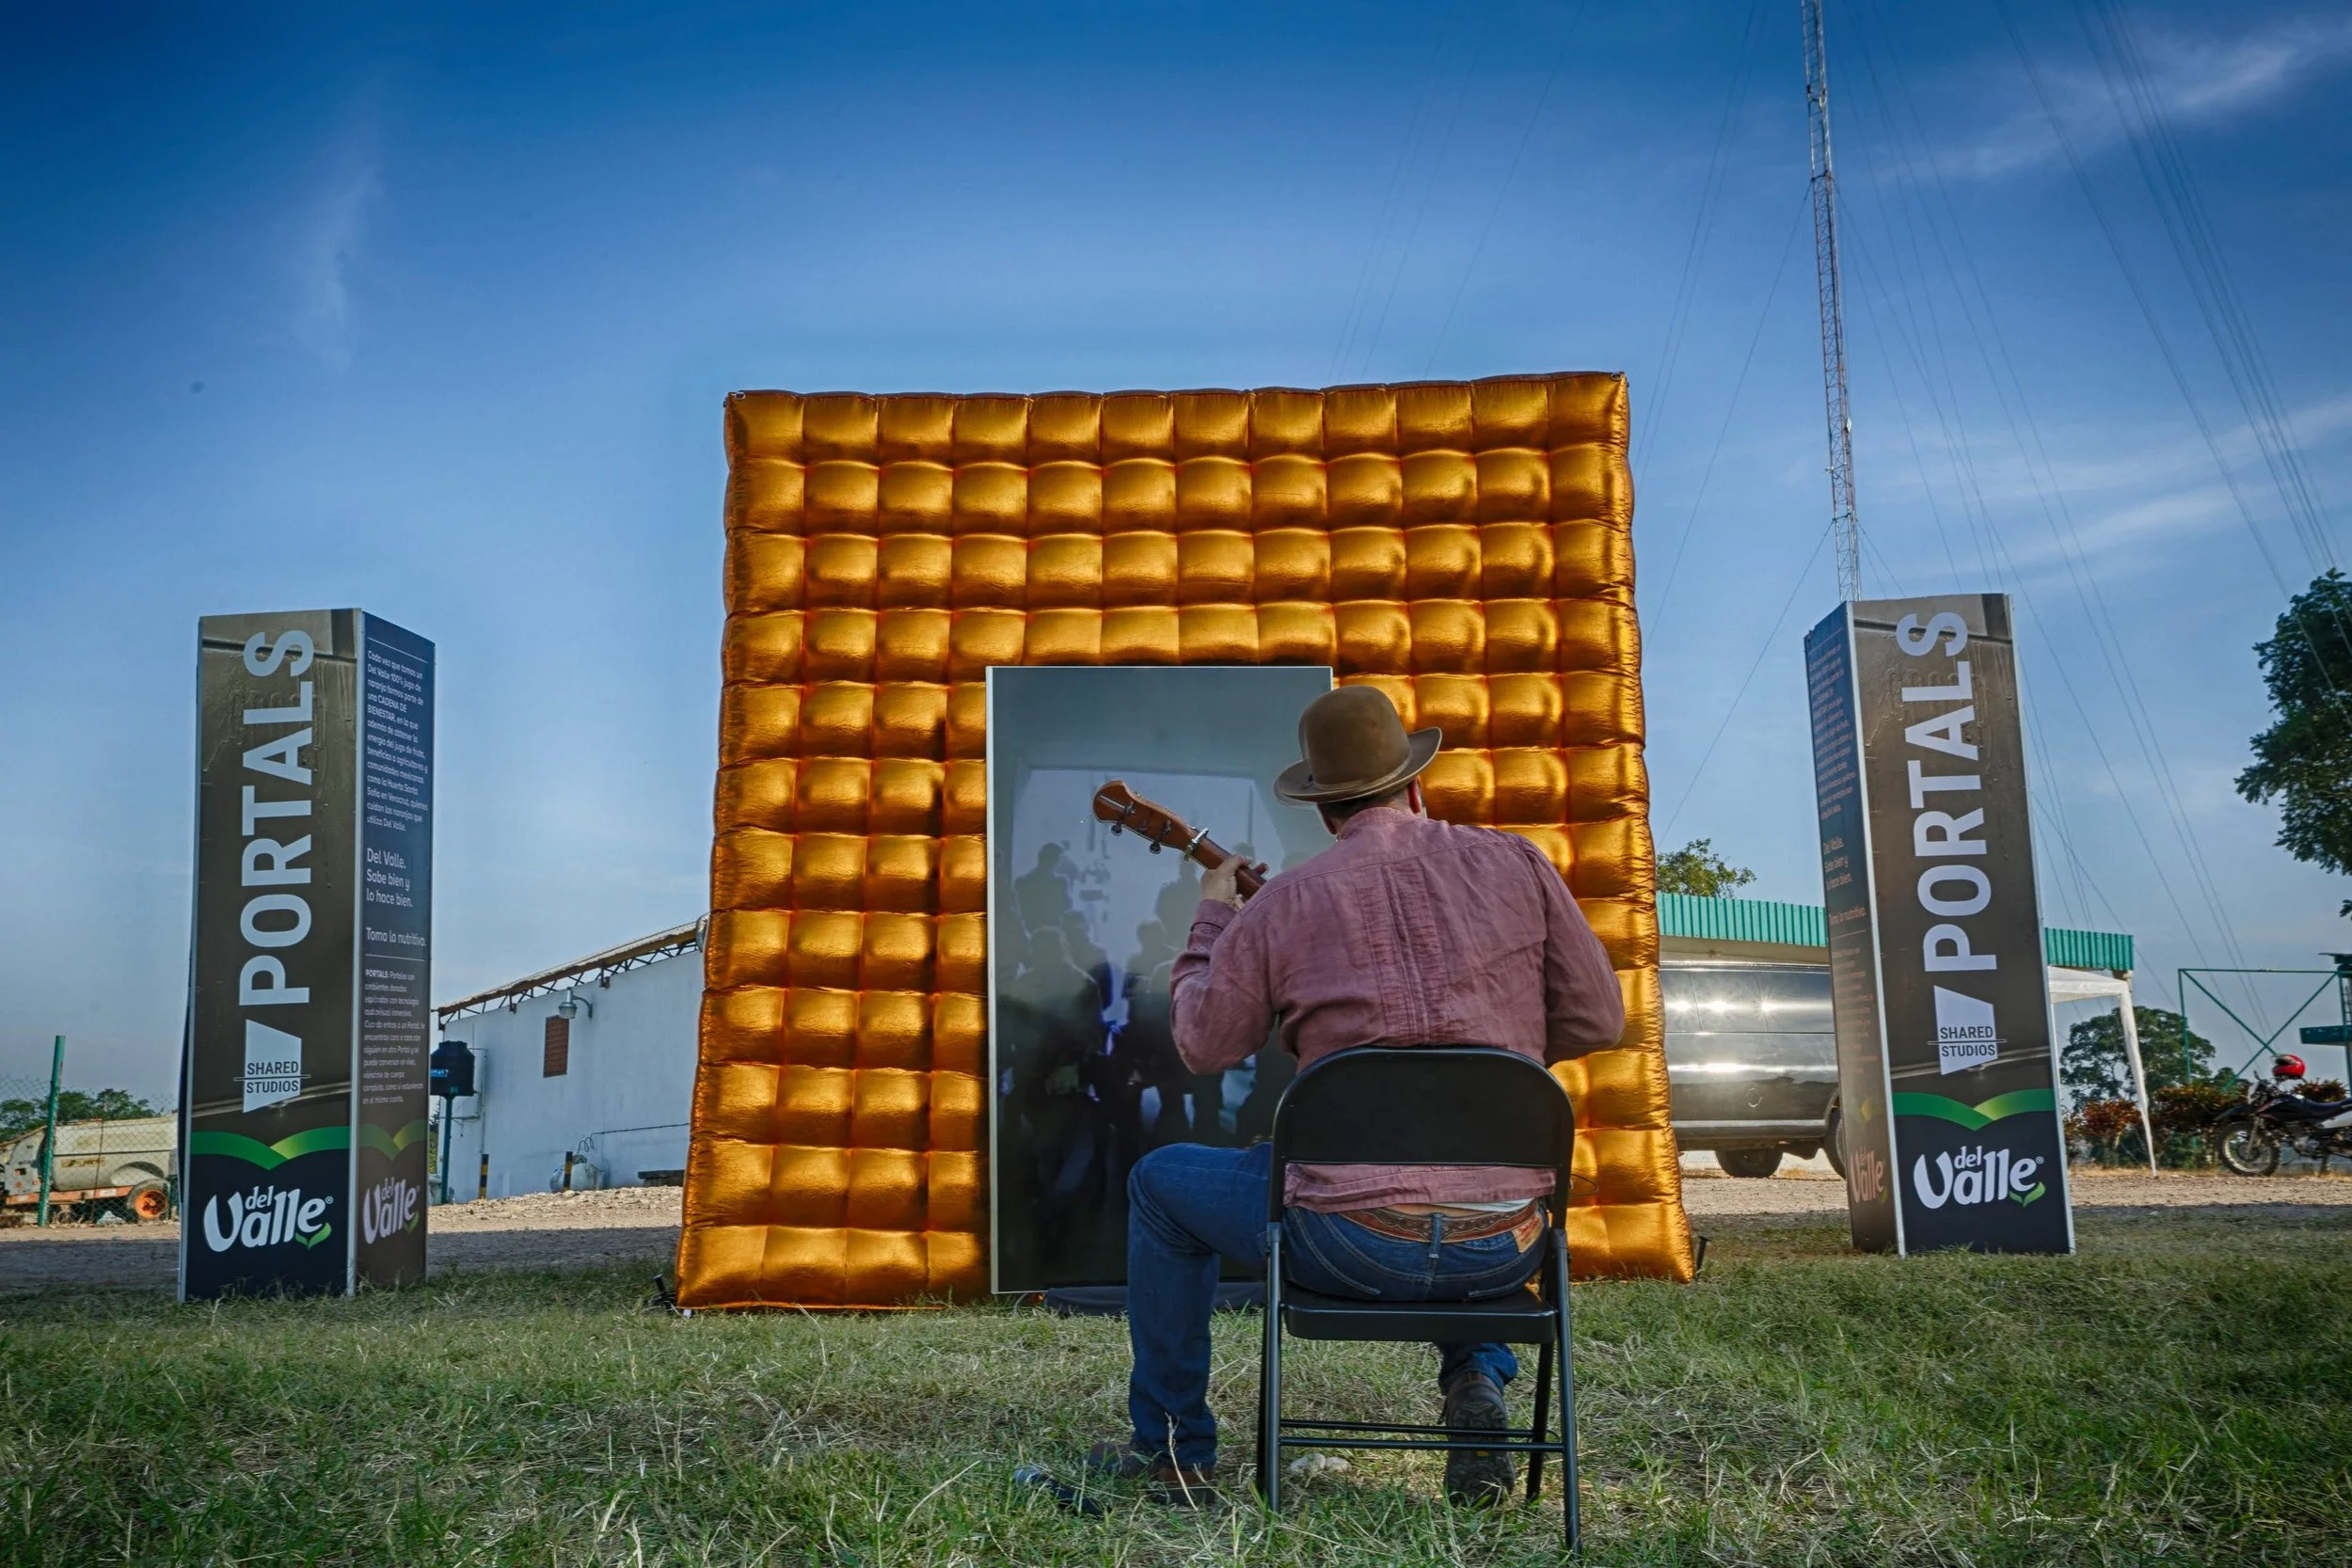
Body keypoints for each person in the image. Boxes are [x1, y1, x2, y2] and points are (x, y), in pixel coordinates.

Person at [1088, 684, 1624, 1505]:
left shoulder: (1290, 901)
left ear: (1326, 812)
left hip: (1345, 1242)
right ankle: (1476, 1381)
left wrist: (1212, 920)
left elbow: (1202, 1044)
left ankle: (1173, 1449)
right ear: (1415, 781)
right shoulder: (1518, 861)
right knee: (1473, 1165)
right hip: (1502, 1242)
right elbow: (1600, 1016)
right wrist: (1480, 1052)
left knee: (1159, 1186)